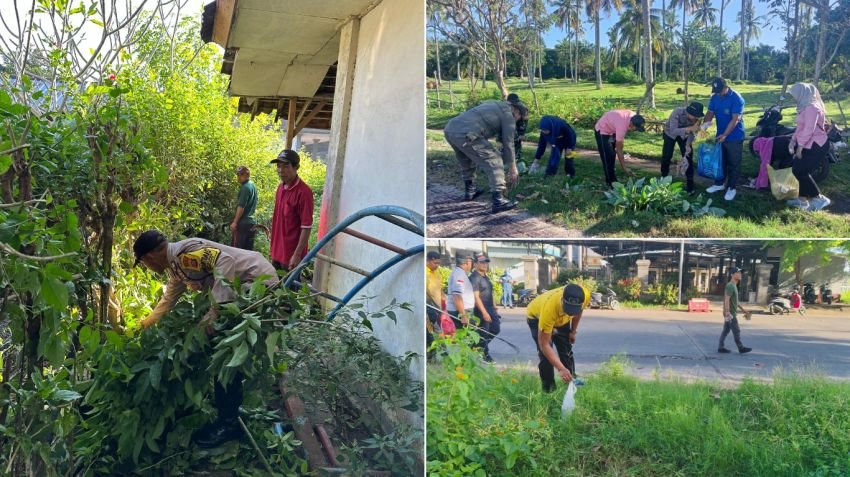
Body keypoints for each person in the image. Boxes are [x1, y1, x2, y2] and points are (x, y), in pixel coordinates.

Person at [133, 230, 278, 447]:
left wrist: (215, 311)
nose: (147, 266)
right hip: (244, 288)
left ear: (151, 256)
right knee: (219, 348)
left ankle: (228, 424)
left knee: (225, 354)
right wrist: (143, 325)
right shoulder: (177, 266)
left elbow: (225, 261)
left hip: (256, 283)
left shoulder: (186, 255)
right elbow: (169, 298)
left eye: (144, 262)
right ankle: (228, 411)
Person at [444, 100, 528, 213]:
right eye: (521, 118)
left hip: (450, 129)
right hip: (466, 134)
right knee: (495, 160)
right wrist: (513, 168)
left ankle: (470, 191)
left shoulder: (494, 104)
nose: (519, 121)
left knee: (467, 160)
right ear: (517, 111)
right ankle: (499, 201)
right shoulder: (509, 116)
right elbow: (509, 143)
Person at [526, 284, 590, 392]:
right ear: (562, 300)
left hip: (561, 319)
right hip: (537, 317)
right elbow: (544, 344)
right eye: (568, 309)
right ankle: (549, 390)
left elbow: (579, 312)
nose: (570, 313)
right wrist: (560, 369)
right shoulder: (550, 309)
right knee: (546, 357)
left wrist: (573, 331)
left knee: (566, 349)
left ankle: (571, 382)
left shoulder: (585, 295)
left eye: (573, 311)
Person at [787, 82, 831, 211]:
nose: (794, 97)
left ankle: (819, 198)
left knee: (801, 171)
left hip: (816, 145)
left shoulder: (812, 107)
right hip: (808, 143)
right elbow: (800, 127)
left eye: (795, 94)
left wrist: (799, 147)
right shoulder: (804, 106)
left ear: (803, 94)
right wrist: (792, 140)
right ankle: (802, 200)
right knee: (797, 169)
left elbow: (809, 130)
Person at [269, 150, 314, 275]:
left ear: (296, 167)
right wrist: (273, 249)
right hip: (277, 252)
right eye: (278, 166)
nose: (281, 170)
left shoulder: (304, 192)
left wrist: (297, 254)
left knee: (289, 291)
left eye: (286, 166)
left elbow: (306, 226)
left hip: (291, 256)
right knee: (274, 289)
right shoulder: (280, 188)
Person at [703, 78, 746, 201]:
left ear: (726, 87)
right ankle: (719, 184)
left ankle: (731, 187)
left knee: (733, 163)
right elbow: (710, 113)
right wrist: (703, 127)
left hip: (735, 136)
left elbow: (735, 119)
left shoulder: (737, 99)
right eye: (715, 91)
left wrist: (725, 135)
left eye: (719, 90)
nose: (718, 93)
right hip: (720, 134)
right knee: (720, 161)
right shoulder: (715, 97)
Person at [661, 102, 704, 194]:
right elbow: (673, 130)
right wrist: (688, 129)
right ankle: (663, 179)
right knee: (667, 156)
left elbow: (693, 133)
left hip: (685, 136)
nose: (695, 118)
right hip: (669, 134)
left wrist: (688, 144)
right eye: (694, 115)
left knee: (688, 156)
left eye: (697, 116)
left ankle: (690, 186)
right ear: (688, 112)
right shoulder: (677, 112)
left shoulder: (697, 119)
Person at [594, 110, 644, 188]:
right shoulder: (622, 125)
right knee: (608, 156)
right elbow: (619, 149)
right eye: (636, 128)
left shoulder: (634, 117)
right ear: (631, 124)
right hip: (602, 130)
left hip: (612, 128)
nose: (636, 130)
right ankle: (611, 182)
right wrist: (624, 168)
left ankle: (612, 176)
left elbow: (620, 144)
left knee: (612, 154)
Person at [469, 252, 500, 363]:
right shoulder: (474, 278)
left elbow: (490, 292)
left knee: (495, 329)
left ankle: (475, 346)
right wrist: (484, 312)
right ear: (475, 264)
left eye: (486, 262)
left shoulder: (485, 276)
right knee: (484, 332)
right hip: (480, 309)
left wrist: (495, 306)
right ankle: (484, 354)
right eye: (481, 262)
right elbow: (476, 297)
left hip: (490, 308)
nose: (485, 264)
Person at [718, 267, 753, 354]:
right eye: (738, 273)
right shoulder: (730, 285)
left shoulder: (734, 286)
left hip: (730, 312)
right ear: (732, 275)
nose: (740, 274)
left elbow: (735, 302)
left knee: (726, 330)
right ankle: (740, 347)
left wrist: (744, 310)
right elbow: (726, 299)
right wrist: (727, 312)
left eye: (740, 273)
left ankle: (720, 347)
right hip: (730, 313)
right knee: (736, 330)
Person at [229, 166, 259, 250]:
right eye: (238, 174)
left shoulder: (245, 188)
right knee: (248, 250)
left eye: (241, 174)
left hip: (243, 224)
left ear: (247, 175)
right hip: (251, 224)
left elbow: (241, 207)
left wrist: (235, 222)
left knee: (237, 250)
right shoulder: (252, 186)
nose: (239, 177)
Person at [446, 253, 475, 330]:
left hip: (463, 310)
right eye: (471, 261)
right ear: (467, 262)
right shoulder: (459, 274)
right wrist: (463, 316)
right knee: (466, 338)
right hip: (460, 312)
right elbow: (457, 296)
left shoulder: (460, 273)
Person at [425, 251, 444, 353]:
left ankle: (440, 352)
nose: (437, 266)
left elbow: (439, 290)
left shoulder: (437, 274)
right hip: (428, 307)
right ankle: (433, 355)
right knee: (430, 332)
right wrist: (437, 306)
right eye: (435, 263)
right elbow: (430, 293)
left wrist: (443, 304)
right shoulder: (425, 273)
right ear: (428, 260)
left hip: (437, 308)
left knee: (437, 331)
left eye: (438, 263)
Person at [507, 93, 528, 161]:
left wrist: (522, 133)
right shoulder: (506, 106)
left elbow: (525, 121)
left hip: (519, 124)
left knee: (517, 140)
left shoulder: (523, 108)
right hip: (509, 123)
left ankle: (517, 157)